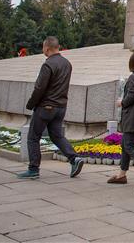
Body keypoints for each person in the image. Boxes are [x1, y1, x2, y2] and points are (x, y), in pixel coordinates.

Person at [18, 37, 84, 179]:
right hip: (61, 107)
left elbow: (40, 87)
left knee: (33, 137)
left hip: (46, 106)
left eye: (43, 48)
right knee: (57, 136)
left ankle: (33, 169)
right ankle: (74, 159)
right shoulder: (67, 64)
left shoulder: (48, 65)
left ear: (47, 48)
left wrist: (30, 104)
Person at [107, 51, 134, 184]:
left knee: (129, 146)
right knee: (124, 144)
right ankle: (122, 174)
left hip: (132, 116)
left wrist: (122, 102)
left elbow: (131, 96)